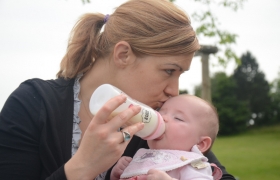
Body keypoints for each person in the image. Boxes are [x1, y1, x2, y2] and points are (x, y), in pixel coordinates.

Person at [0, 0, 235, 179]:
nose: (174, 91)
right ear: (123, 54)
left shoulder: (158, 125)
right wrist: (82, 167)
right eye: (169, 71)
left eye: (180, 75)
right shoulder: (33, 103)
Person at [111, 94, 222, 180]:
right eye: (160, 113)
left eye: (178, 118)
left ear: (200, 144)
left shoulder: (191, 165)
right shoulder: (142, 157)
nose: (163, 118)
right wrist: (116, 174)